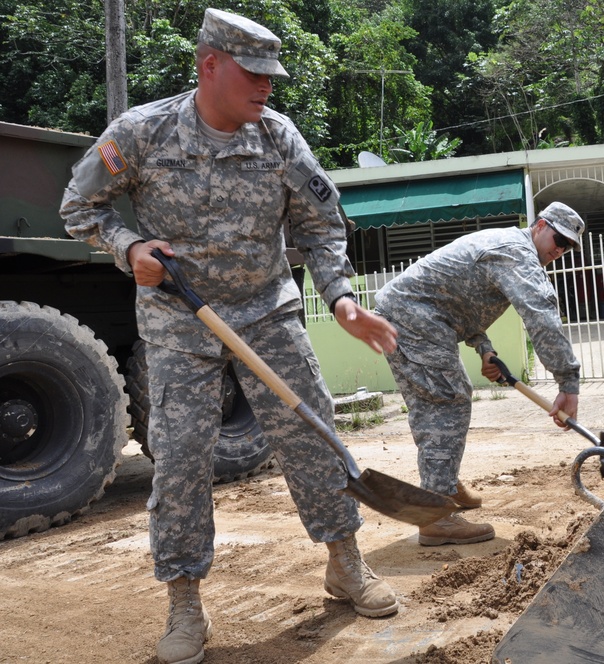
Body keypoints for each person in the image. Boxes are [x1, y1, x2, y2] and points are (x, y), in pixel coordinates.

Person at [60, 9, 400, 664]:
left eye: (273, 74)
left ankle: (344, 561)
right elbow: (80, 206)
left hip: (267, 309)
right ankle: (185, 599)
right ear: (208, 65)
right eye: (253, 73)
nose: (267, 87)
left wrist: (342, 300)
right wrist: (129, 245)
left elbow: (323, 227)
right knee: (182, 452)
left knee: (312, 430)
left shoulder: (278, 138)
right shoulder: (142, 132)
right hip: (179, 318)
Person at [374, 202, 585, 546]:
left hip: (415, 316)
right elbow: (540, 316)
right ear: (541, 225)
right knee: (447, 403)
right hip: (414, 318)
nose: (559, 250)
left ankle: (440, 481)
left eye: (567, 247)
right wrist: (568, 382)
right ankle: (436, 514)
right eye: (558, 238)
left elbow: (460, 300)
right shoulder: (516, 253)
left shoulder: (507, 245)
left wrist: (485, 349)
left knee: (436, 404)